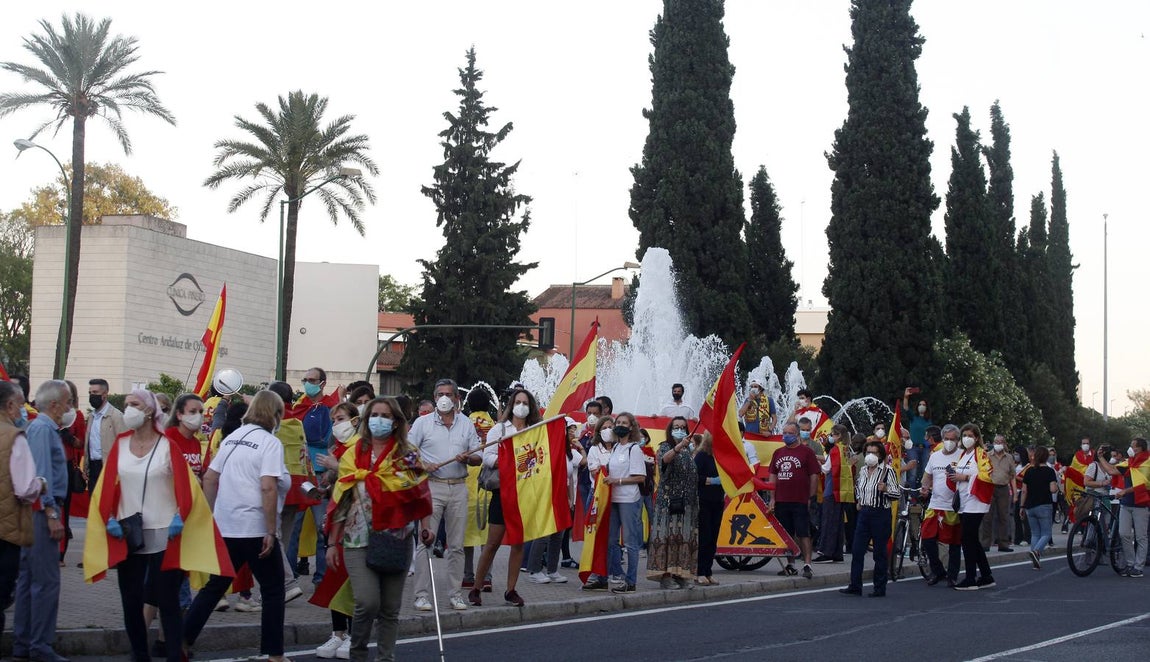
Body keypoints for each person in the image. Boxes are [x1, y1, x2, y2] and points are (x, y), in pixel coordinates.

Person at [182, 390, 291, 662]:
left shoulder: (232, 439)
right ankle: (274, 654)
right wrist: (269, 530)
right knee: (274, 589)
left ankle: (182, 640)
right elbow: (267, 486)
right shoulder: (270, 443)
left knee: (215, 587)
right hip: (254, 526)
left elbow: (209, 477)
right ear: (275, 414)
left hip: (226, 524)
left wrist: (211, 515)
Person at [326, 397, 431, 662]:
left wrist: (426, 528)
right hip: (357, 537)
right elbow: (342, 497)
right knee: (367, 602)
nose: (379, 420)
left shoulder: (408, 453)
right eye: (375, 414)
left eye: (386, 415)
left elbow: (418, 493)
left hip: (397, 536)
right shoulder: (354, 453)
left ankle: (386, 658)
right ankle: (358, 653)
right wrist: (331, 543)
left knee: (390, 609)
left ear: (396, 421)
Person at [89, 390, 190, 662]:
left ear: (149, 410)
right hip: (128, 532)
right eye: (126, 405)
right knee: (131, 601)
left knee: (167, 602)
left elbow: (185, 487)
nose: (128, 409)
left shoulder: (168, 446)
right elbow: (107, 485)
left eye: (134, 404)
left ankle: (173, 655)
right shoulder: (121, 444)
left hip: (164, 533)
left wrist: (180, 516)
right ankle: (139, 654)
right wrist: (108, 517)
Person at [408, 379, 481, 612]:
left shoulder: (466, 423)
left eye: (449, 393)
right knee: (425, 540)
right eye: (440, 393)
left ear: (457, 398)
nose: (444, 397)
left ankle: (455, 594)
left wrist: (468, 458)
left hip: (459, 486)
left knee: (457, 545)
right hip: (432, 486)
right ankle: (421, 595)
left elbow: (478, 456)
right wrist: (422, 464)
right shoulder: (422, 423)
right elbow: (406, 454)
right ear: (434, 395)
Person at [13, 380, 69, 662]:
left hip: (33, 512)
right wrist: (51, 514)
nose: (70, 409)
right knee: (45, 582)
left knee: (29, 579)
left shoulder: (39, 428)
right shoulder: (44, 429)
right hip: (42, 512)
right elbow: (42, 476)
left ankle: (24, 643)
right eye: (68, 402)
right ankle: (40, 645)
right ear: (55, 404)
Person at [469, 389, 539, 607]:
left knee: (518, 543)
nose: (521, 406)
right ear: (511, 404)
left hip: (525, 493)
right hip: (503, 492)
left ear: (531, 407)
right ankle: (476, 587)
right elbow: (487, 457)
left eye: (525, 402)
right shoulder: (499, 428)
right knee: (492, 544)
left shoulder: (535, 431)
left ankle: (511, 590)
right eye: (517, 402)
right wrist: (507, 461)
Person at [0, 381, 44, 640]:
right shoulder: (15, 438)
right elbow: (26, 488)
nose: (23, 411)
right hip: (6, 531)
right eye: (20, 405)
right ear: (9, 405)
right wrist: (42, 483)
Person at [526, 417, 583, 584]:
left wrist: (570, 498)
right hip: (546, 496)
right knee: (544, 533)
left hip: (562, 498)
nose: (570, 432)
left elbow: (569, 477)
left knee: (559, 534)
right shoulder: (547, 450)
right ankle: (534, 570)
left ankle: (552, 570)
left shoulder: (568, 453)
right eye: (567, 428)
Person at [840, 440, 900, 597]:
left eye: (874, 453)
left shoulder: (888, 471)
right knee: (857, 550)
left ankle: (879, 587)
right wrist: (859, 501)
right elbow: (859, 487)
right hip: (864, 513)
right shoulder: (863, 470)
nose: (870, 455)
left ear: (880, 455)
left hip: (880, 514)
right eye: (868, 452)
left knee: (879, 552)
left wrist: (886, 489)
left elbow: (896, 494)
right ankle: (855, 585)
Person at [646, 417, 698, 589]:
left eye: (683, 427)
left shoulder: (688, 451)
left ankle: (680, 574)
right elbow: (665, 461)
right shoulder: (665, 447)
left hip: (686, 503)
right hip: (669, 502)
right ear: (670, 429)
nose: (680, 429)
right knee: (667, 538)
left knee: (682, 537)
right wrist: (678, 447)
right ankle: (665, 576)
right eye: (676, 427)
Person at [766, 421, 819, 579]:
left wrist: (811, 497)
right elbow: (772, 476)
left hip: (800, 499)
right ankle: (790, 564)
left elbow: (814, 476)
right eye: (784, 432)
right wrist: (772, 498)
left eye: (789, 433)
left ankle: (807, 564)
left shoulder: (806, 452)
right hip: (782, 500)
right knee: (786, 535)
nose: (786, 436)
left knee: (803, 532)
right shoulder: (778, 452)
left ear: (796, 435)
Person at [601, 412, 647, 594]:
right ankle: (612, 574)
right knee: (611, 540)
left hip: (629, 499)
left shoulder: (633, 448)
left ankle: (631, 581)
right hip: (613, 499)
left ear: (631, 427)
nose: (619, 425)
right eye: (617, 422)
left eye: (624, 423)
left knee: (630, 542)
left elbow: (640, 477)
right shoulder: (615, 448)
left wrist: (617, 481)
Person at [1096, 438, 1150, 578]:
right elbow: (1112, 470)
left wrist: (1125, 491)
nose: (1130, 448)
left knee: (1141, 536)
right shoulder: (1129, 463)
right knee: (1124, 533)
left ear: (1140, 448)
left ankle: (1138, 567)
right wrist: (1100, 457)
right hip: (1126, 504)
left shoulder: (1147, 463)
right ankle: (1130, 564)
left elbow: (1144, 484)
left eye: (1132, 446)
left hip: (1141, 505)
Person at [952, 423, 996, 590]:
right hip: (964, 500)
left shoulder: (981, 454)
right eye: (964, 435)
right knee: (972, 539)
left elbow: (987, 475)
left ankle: (971, 577)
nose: (967, 438)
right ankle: (986, 575)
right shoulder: (964, 454)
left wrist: (964, 477)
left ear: (977, 438)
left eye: (970, 435)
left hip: (975, 500)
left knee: (967, 538)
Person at [581, 414, 620, 591]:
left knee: (612, 538)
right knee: (596, 536)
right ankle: (597, 574)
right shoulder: (594, 449)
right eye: (603, 428)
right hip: (597, 495)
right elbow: (595, 470)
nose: (607, 431)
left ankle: (613, 573)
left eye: (610, 427)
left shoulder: (621, 447)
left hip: (617, 496)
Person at [920, 424, 963, 587]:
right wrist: (924, 488)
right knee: (927, 538)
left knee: (954, 543)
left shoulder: (962, 456)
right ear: (942, 439)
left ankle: (952, 576)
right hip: (935, 504)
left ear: (957, 440)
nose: (949, 442)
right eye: (947, 439)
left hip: (954, 506)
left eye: (953, 439)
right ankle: (938, 570)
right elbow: (927, 476)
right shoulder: (935, 456)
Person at [814, 425, 854, 564]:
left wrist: (815, 463)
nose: (831, 436)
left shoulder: (835, 450)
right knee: (838, 522)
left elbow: (826, 469)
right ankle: (837, 552)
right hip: (843, 491)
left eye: (832, 434)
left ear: (838, 436)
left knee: (828, 521)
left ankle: (826, 551)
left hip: (832, 490)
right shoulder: (846, 449)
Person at [1018, 446, 1058, 569]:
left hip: (1030, 505)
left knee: (1035, 533)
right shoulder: (1049, 471)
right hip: (1044, 504)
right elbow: (1053, 489)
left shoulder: (1029, 471)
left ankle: (1035, 561)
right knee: (1046, 533)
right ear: (1046, 457)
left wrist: (1021, 506)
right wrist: (1056, 486)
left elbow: (1024, 491)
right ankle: (1036, 551)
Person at [85, 378, 126, 494]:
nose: (92, 396)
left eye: (95, 393)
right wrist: (86, 467)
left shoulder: (116, 416)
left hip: (108, 467)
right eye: (90, 393)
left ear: (104, 394)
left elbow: (123, 443)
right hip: (93, 467)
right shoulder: (92, 417)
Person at [978, 433, 1016, 552]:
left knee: (1003, 516)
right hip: (989, 487)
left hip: (1004, 488)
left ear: (1004, 444)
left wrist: (1015, 493)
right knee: (987, 517)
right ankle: (985, 543)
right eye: (996, 442)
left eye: (1000, 442)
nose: (998, 444)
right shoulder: (987, 455)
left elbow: (1012, 476)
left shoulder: (1009, 457)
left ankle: (1003, 544)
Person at [694, 433, 723, 585]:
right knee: (704, 537)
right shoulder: (702, 456)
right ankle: (699, 571)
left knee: (713, 538)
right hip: (703, 501)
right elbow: (693, 476)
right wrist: (710, 481)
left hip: (718, 500)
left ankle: (708, 570)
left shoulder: (722, 457)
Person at [901, 388, 933, 487]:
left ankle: (922, 494)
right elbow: (905, 407)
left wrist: (929, 445)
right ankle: (912, 496)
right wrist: (906, 396)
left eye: (924, 405)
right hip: (913, 448)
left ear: (927, 407)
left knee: (925, 471)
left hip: (925, 448)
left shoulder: (929, 421)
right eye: (920, 404)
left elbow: (931, 435)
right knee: (912, 472)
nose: (921, 406)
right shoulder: (913, 417)